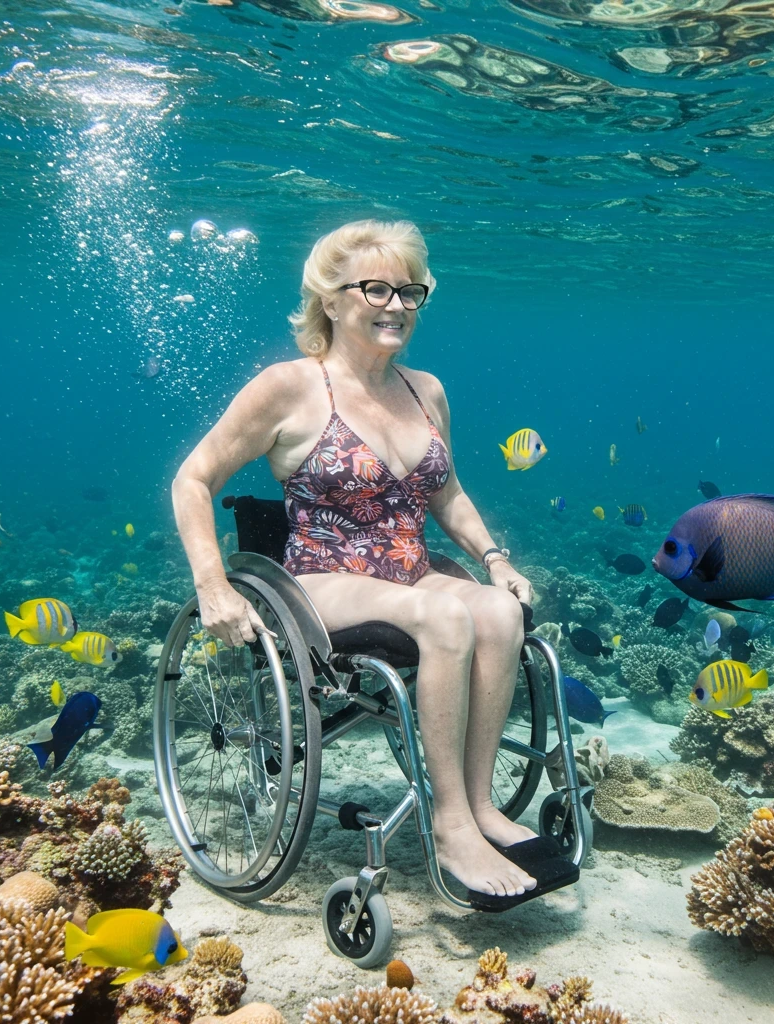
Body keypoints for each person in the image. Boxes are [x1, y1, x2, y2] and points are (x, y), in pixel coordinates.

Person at [172, 219, 540, 899]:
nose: (397, 305)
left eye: (410, 291)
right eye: (377, 289)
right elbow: (192, 480)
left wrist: (495, 560)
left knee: (496, 613)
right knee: (444, 618)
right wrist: (213, 584)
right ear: (331, 300)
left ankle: (483, 803)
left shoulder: (427, 390)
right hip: (320, 582)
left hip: (410, 569)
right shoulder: (289, 387)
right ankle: (453, 823)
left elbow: (447, 493)